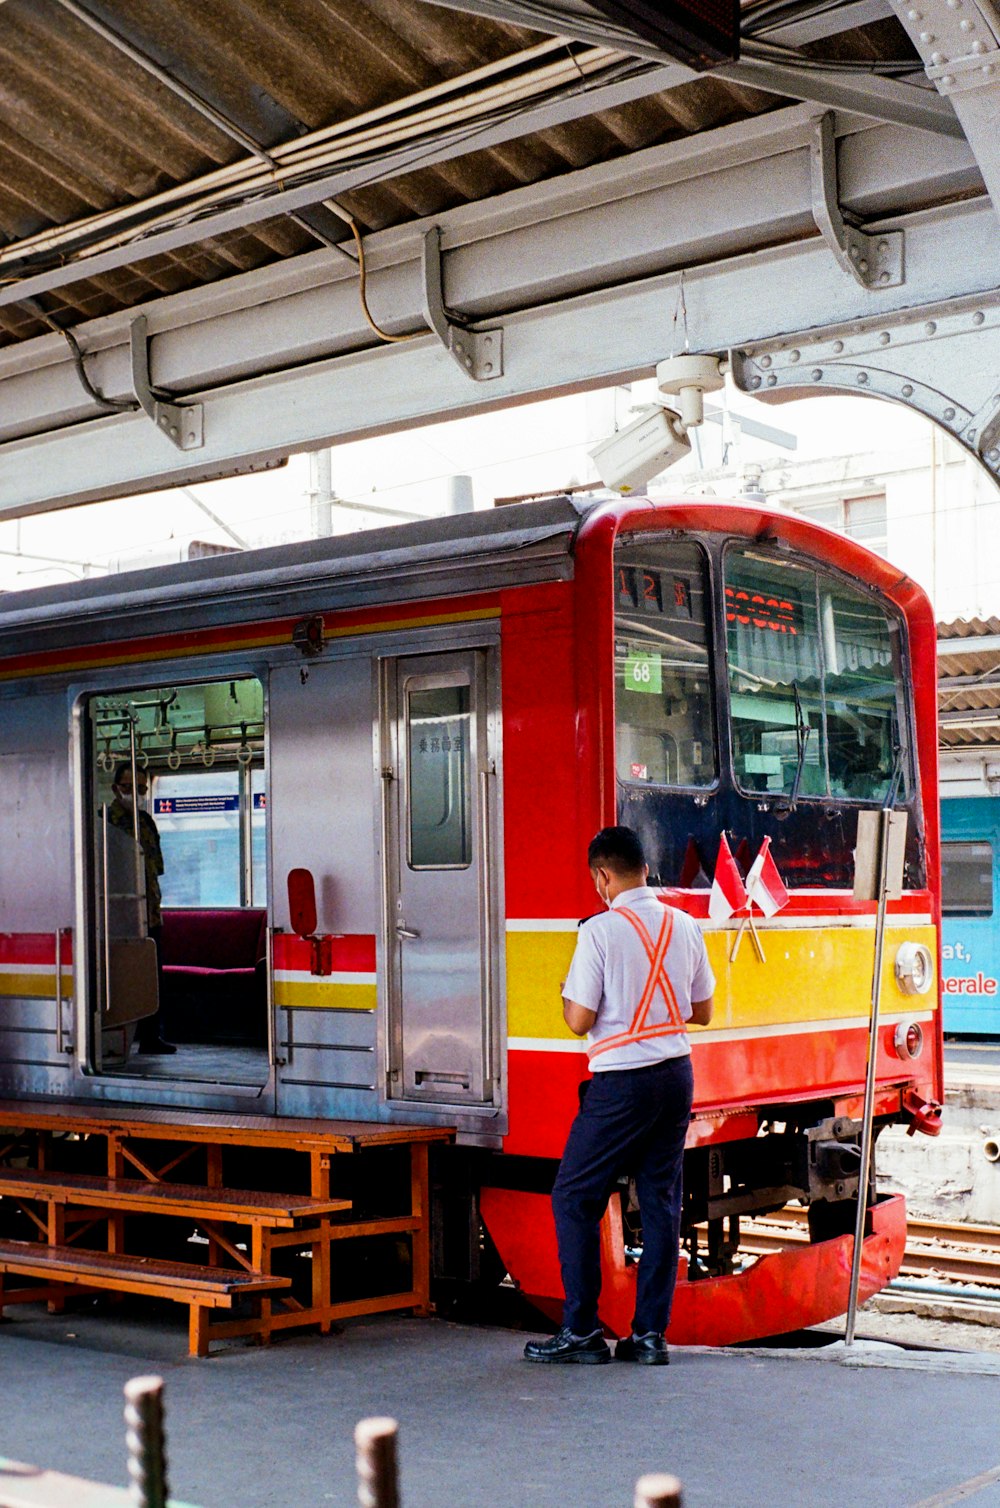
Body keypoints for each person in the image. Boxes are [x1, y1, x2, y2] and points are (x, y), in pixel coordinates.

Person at [524, 825, 714, 1366]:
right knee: (659, 1202)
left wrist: (568, 1000)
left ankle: (581, 1331)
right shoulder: (684, 925)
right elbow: (702, 1012)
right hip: (676, 1075)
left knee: (573, 1196)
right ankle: (650, 1336)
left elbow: (578, 1018)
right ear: (645, 870)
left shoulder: (599, 933)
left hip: (622, 1083)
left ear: (602, 877)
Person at [107, 762, 176, 1055]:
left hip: (149, 913)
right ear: (114, 788)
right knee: (119, 976)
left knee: (152, 977)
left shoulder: (146, 822)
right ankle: (116, 1036)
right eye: (127, 788)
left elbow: (155, 868)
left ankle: (151, 1036)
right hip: (117, 915)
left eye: (140, 789)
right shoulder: (104, 821)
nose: (134, 794)